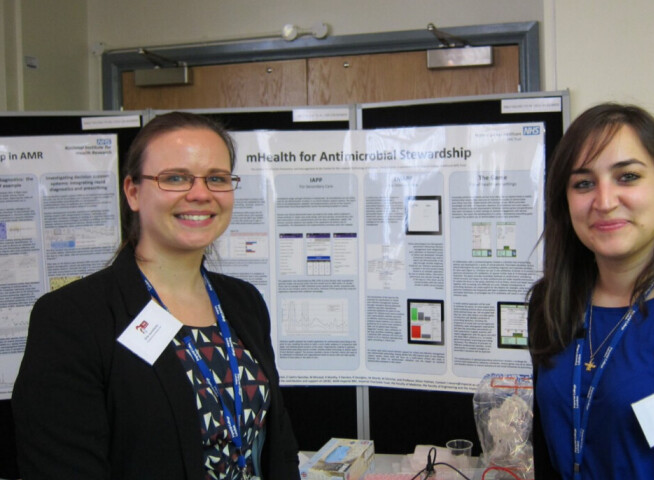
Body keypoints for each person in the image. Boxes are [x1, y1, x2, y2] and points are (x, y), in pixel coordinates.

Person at [12, 111, 301, 480]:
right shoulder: (73, 317)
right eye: (175, 178)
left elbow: (279, 445)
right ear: (133, 192)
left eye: (216, 178)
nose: (200, 194)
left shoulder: (243, 302)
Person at [528, 103, 654, 479]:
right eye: (583, 183)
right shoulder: (551, 303)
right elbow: (546, 447)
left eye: (627, 177)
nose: (605, 202)